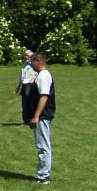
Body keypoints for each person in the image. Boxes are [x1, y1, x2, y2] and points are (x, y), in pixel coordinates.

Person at [27, 53, 56, 184]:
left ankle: (43, 176)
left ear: (38, 61)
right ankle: (43, 175)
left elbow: (44, 97)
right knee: (43, 145)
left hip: (42, 116)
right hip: (42, 115)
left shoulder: (44, 76)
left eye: (31, 62)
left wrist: (36, 116)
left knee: (43, 146)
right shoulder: (42, 75)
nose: (30, 65)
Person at [14, 49, 37, 125]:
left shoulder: (35, 64)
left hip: (32, 87)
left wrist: (34, 79)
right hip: (24, 87)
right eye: (25, 55)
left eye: (27, 55)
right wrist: (18, 87)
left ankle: (32, 120)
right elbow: (21, 77)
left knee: (31, 104)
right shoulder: (24, 65)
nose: (26, 57)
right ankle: (26, 121)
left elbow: (38, 74)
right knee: (24, 105)